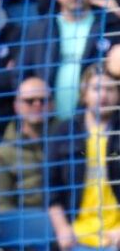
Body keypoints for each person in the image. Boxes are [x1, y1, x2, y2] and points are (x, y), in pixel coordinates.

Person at [21, 0, 120, 122]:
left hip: (97, 123)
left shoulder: (110, 27)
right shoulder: (38, 30)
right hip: (48, 122)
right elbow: (22, 73)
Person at [48, 64, 120, 250]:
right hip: (76, 237)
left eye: (110, 89)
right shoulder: (64, 132)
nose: (103, 95)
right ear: (84, 93)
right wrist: (63, 229)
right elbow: (51, 188)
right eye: (96, 88)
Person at [0, 76, 56, 212]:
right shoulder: (3, 153)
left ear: (52, 104)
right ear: (17, 106)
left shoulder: (68, 139)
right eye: (29, 101)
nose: (37, 105)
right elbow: (3, 205)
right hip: (25, 223)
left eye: (43, 100)